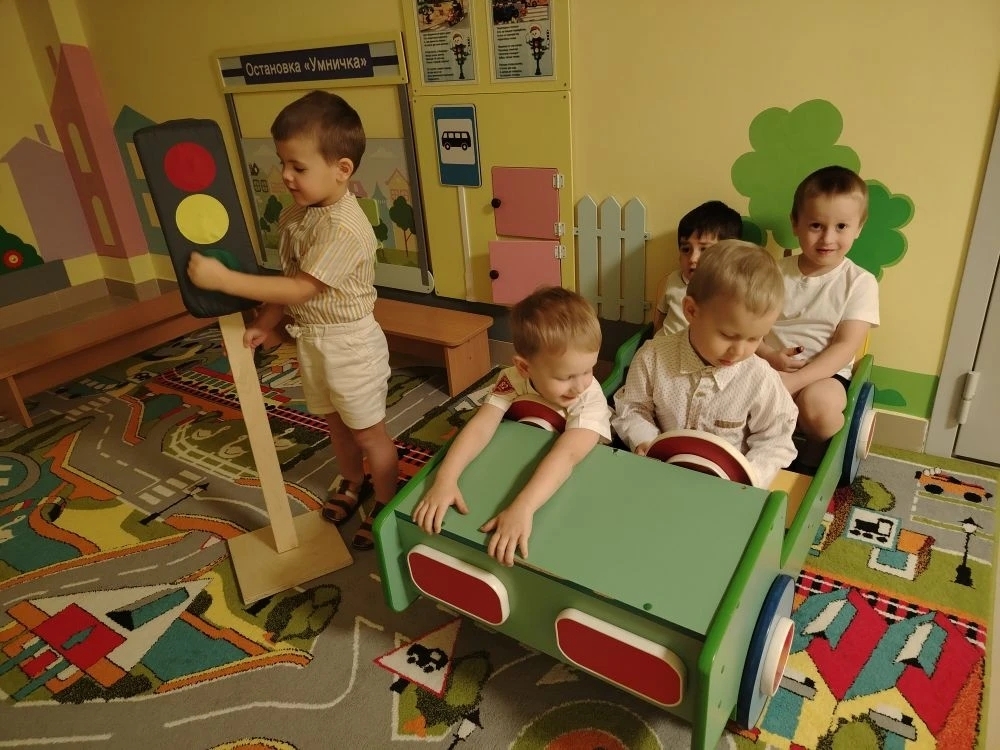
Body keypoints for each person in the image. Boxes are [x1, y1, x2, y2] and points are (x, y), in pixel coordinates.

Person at [187, 90, 397, 552]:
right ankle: (352, 480)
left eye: (298, 167)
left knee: (368, 432)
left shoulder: (345, 228)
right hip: (312, 340)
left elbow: (303, 288)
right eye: (283, 163)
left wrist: (226, 280)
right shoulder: (296, 216)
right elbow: (288, 281)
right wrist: (267, 320)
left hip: (350, 345)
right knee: (335, 424)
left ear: (342, 169)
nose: (285, 175)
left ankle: (386, 500)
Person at [412, 286, 611, 567]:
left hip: (572, 480)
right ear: (524, 368)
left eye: (589, 370)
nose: (580, 385)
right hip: (518, 459)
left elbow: (566, 457)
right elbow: (481, 426)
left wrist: (523, 507)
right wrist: (446, 478)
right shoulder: (512, 379)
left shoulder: (589, 397)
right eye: (566, 377)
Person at [612, 240, 797, 488]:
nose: (739, 350)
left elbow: (775, 439)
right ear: (691, 311)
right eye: (727, 335)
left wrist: (751, 478)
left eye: (755, 339)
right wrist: (645, 440)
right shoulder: (653, 356)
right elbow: (632, 408)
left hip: (726, 488)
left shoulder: (760, 378)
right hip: (660, 472)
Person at [757, 166, 879, 443]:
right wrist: (768, 355)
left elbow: (845, 346)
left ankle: (815, 454)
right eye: (816, 226)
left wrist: (795, 381)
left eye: (841, 227)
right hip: (769, 365)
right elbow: (750, 329)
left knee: (818, 406)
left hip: (826, 376)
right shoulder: (773, 272)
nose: (827, 239)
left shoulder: (860, 282)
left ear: (859, 228)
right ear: (795, 223)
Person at [652, 200, 742, 337]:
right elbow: (658, 323)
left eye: (704, 250)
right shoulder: (671, 281)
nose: (693, 259)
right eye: (686, 249)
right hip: (665, 346)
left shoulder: (735, 290)